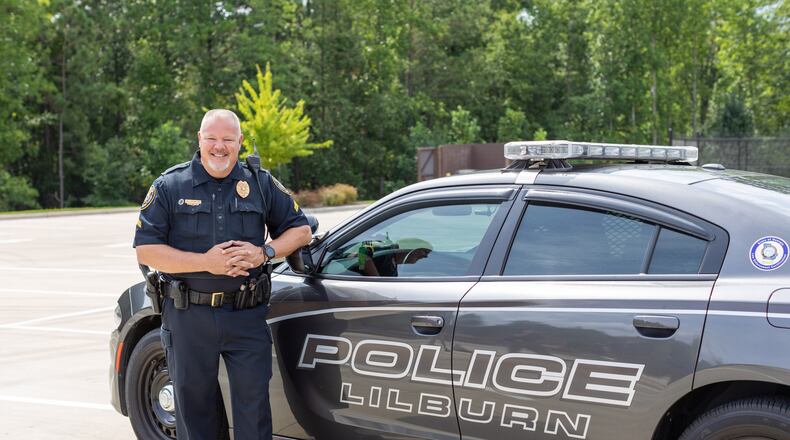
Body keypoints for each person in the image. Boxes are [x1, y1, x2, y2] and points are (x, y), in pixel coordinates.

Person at [134, 109, 311, 439]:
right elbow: (146, 250)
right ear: (200, 140)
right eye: (212, 139)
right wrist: (206, 262)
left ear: (240, 142)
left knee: (254, 411)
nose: (219, 147)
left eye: (228, 139)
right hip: (189, 317)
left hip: (246, 314)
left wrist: (266, 251)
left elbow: (300, 230)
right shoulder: (170, 185)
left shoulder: (259, 182)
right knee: (194, 412)